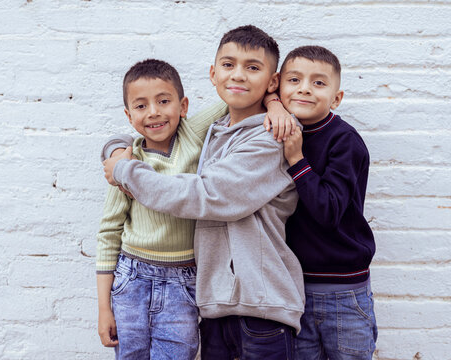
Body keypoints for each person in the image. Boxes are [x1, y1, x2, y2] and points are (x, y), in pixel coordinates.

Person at [102, 25, 305, 360]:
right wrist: (115, 150)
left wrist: (125, 171)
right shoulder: (212, 131)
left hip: (261, 308)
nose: (238, 74)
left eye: (252, 67)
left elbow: (208, 195)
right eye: (228, 65)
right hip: (215, 308)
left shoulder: (272, 136)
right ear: (213, 74)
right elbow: (149, 135)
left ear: (272, 80)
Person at [96, 59, 230, 359]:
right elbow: (108, 233)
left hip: (184, 280)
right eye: (141, 106)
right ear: (129, 117)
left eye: (164, 101)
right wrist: (104, 308)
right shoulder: (127, 163)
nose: (154, 111)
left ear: (183, 106)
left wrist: (274, 102)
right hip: (132, 279)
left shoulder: (192, 134)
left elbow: (232, 99)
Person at [279, 45, 378, 359]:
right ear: (277, 86)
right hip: (295, 291)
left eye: (318, 83)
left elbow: (328, 210)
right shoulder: (274, 132)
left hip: (343, 291)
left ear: (337, 98)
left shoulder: (343, 141)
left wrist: (296, 159)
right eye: (294, 80)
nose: (305, 88)